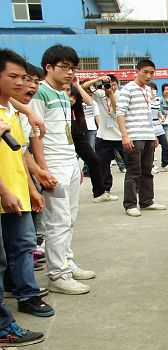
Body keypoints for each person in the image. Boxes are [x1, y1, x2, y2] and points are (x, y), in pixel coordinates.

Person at [30, 44, 94, 294]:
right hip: (53, 165)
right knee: (57, 221)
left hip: (69, 162)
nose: (70, 72)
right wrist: (43, 169)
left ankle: (66, 261)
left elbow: (66, 133)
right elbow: (35, 135)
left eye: (73, 68)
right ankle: (57, 274)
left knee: (70, 218)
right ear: (48, 67)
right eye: (64, 67)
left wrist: (75, 163)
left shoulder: (63, 94)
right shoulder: (40, 93)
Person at [0, 48, 54, 316]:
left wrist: (32, 188)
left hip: (17, 192)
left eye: (25, 78)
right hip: (5, 193)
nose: (22, 83)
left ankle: (28, 295)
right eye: (14, 77)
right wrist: (4, 192)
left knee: (24, 246)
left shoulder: (12, 111)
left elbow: (20, 154)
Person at [116, 59, 166, 217]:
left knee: (147, 171)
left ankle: (147, 201)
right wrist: (125, 135)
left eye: (152, 73)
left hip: (147, 136)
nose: (149, 76)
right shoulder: (127, 89)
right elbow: (120, 113)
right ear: (136, 71)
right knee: (133, 172)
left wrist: (153, 135)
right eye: (145, 72)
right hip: (134, 137)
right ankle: (130, 204)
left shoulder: (147, 90)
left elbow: (147, 115)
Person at [66, 82, 117, 203]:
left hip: (78, 135)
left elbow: (90, 102)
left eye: (74, 97)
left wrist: (78, 86)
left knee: (94, 160)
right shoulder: (60, 105)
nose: (71, 99)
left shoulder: (77, 108)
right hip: (64, 137)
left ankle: (99, 193)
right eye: (69, 95)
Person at [82, 74, 127, 195]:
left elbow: (117, 111)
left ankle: (135, 186)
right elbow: (84, 86)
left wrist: (111, 95)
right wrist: (98, 79)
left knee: (130, 163)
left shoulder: (121, 95)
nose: (111, 87)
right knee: (103, 165)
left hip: (121, 135)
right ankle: (105, 188)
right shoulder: (100, 94)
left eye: (114, 85)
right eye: (109, 85)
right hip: (103, 136)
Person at [148, 82, 168, 173]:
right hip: (149, 125)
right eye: (151, 90)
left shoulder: (157, 100)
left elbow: (158, 110)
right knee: (151, 146)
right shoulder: (146, 101)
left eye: (154, 90)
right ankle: (150, 165)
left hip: (158, 125)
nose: (153, 91)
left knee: (165, 145)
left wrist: (161, 116)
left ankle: (165, 164)